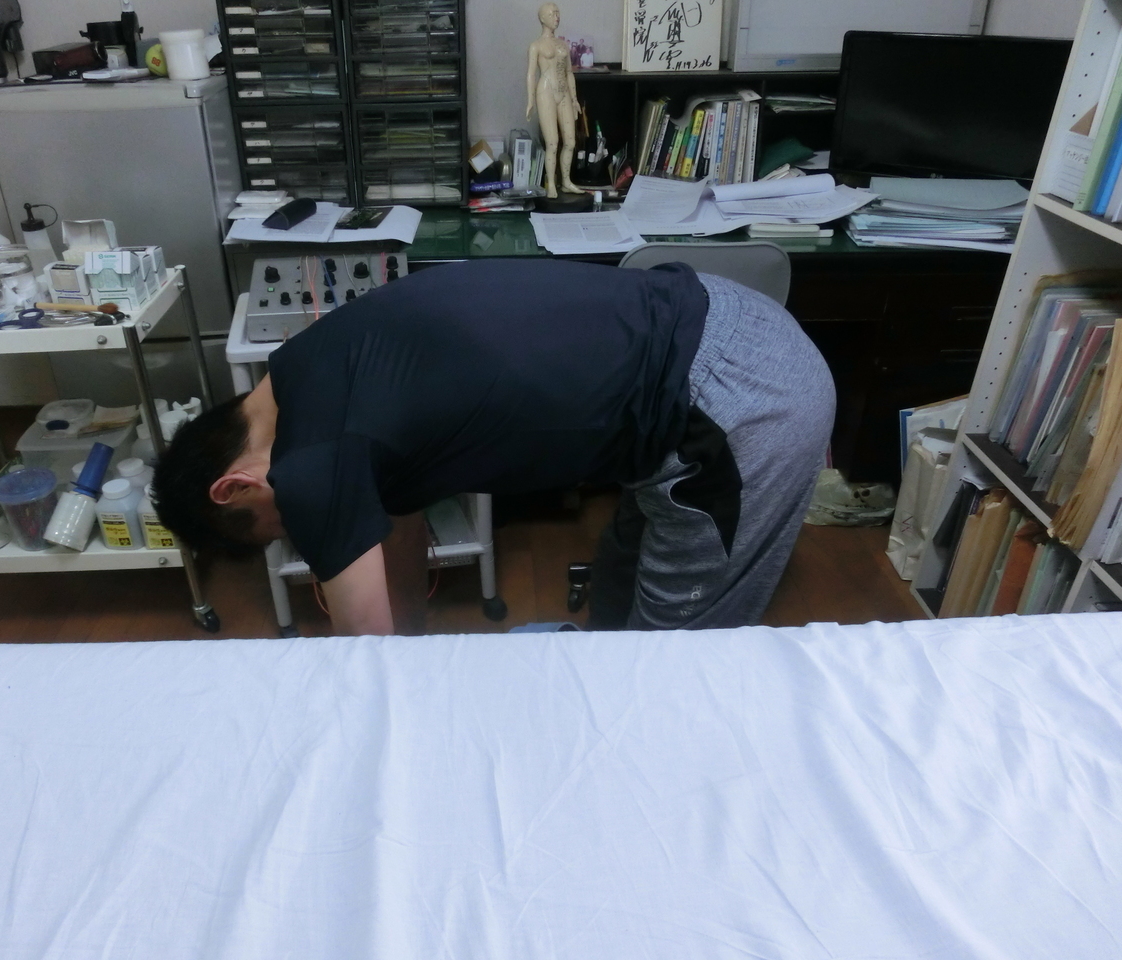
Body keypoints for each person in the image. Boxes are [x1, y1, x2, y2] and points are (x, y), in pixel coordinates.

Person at [153, 259, 834, 637]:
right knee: (617, 598)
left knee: (671, 661)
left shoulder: (306, 468)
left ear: (235, 486)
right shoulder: (307, 368)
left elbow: (365, 662)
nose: (300, 528)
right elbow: (394, 545)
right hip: (708, 321)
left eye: (281, 527)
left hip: (738, 400)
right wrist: (414, 652)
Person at [526, 3, 585, 199]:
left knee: (570, 141)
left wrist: (574, 99)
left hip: (564, 92)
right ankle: (551, 183)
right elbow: (531, 74)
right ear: (542, 18)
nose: (556, 17)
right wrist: (530, 100)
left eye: (558, 13)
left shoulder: (563, 45)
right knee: (552, 142)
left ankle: (566, 181)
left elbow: (569, 73)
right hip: (546, 91)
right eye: (552, 14)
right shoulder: (536, 46)